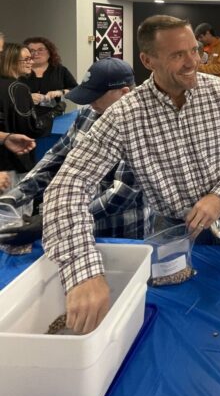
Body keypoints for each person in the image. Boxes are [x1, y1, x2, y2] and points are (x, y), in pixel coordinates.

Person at [43, 15, 220, 333]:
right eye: (177, 55)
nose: (193, 63)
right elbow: (68, 185)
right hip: (175, 228)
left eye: (194, 50)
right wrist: (84, 273)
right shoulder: (124, 115)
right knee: (182, 318)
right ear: (148, 60)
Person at [0, 58, 151, 246]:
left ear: (124, 93)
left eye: (96, 96)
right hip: (76, 226)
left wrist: (54, 221)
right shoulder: (89, 113)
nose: (90, 102)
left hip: (116, 232)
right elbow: (57, 157)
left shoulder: (144, 128)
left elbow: (120, 194)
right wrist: (17, 194)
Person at [0, 43, 53, 175]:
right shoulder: (19, 88)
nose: (31, 62)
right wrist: (52, 115)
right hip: (13, 163)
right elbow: (32, 128)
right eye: (27, 59)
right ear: (11, 61)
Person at [22, 36, 77, 118]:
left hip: (53, 118)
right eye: (31, 51)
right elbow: (8, 94)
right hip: (24, 118)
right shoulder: (20, 71)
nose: (36, 53)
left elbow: (75, 89)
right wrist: (26, 98)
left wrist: (60, 92)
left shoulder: (60, 70)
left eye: (40, 49)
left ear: (50, 52)